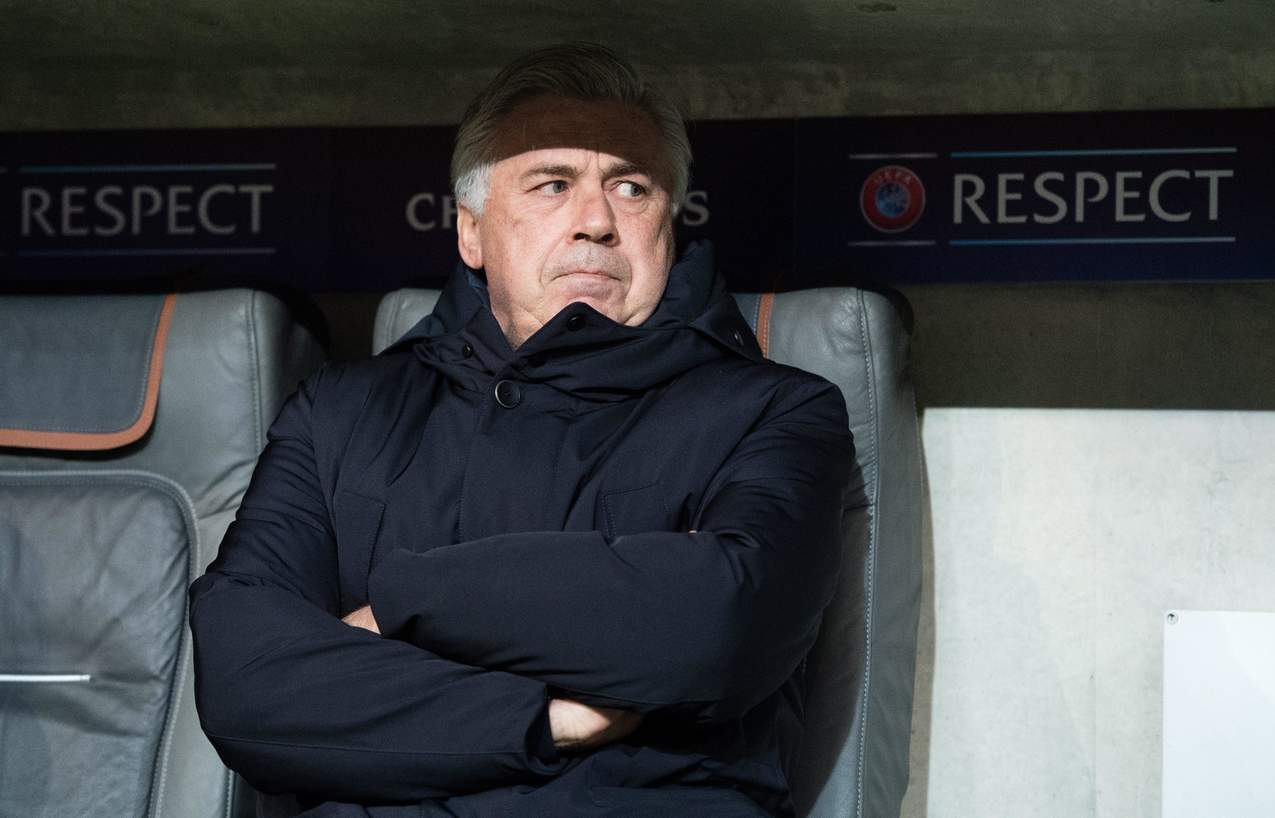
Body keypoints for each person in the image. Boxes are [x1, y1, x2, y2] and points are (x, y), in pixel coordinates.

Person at [189, 42, 853, 818]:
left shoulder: (776, 410)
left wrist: (404, 602)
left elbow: (722, 627)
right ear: (471, 233)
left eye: (632, 187)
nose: (596, 221)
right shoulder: (340, 412)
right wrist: (543, 720)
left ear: (669, 227)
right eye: (552, 184)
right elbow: (248, 684)